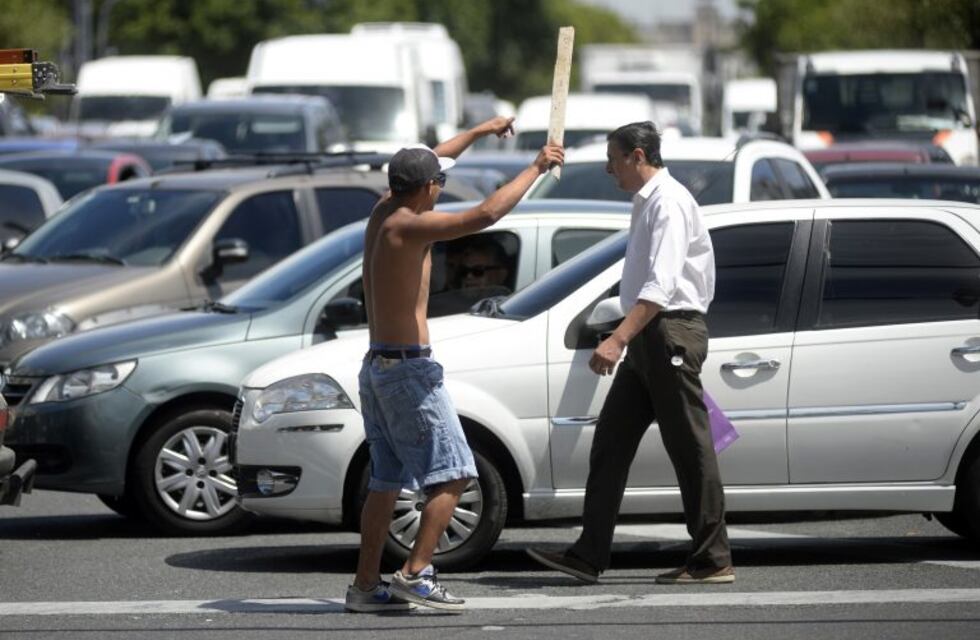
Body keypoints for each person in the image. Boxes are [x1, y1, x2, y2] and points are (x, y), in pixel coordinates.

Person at [345, 118, 563, 613]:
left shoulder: (384, 210)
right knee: (456, 474)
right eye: (438, 184)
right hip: (407, 374)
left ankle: (364, 588)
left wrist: (484, 130)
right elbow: (485, 214)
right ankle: (415, 573)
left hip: (378, 367)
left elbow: (438, 155)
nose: (441, 188)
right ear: (426, 189)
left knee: (385, 480)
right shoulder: (409, 225)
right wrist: (536, 166)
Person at [526, 121, 734, 585]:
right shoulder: (648, 202)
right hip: (650, 336)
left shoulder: (669, 202)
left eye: (613, 158)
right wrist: (628, 336)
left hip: (668, 333)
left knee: (691, 449)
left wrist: (617, 337)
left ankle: (712, 558)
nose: (608, 168)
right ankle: (588, 554)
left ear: (638, 156)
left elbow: (659, 289)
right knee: (611, 444)